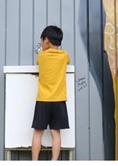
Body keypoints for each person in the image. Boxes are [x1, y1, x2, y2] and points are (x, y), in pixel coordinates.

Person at [32, 25, 70, 160]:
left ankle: (34, 161)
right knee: (56, 133)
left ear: (46, 40)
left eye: (42, 41)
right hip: (59, 100)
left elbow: (39, 61)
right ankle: (54, 161)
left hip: (43, 100)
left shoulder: (41, 56)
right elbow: (68, 61)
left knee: (38, 133)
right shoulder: (64, 55)